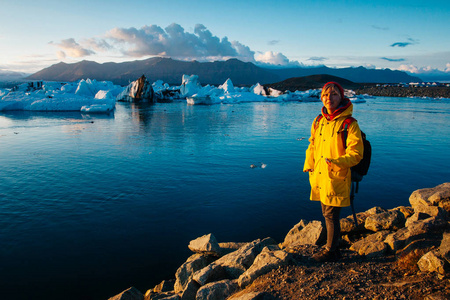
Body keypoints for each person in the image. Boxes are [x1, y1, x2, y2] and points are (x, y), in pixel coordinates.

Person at [303, 81, 364, 262]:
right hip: (320, 174)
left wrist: (336, 163)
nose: (329, 98)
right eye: (326, 95)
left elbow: (356, 153)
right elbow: (312, 144)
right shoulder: (319, 121)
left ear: (341, 97)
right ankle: (334, 246)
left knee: (330, 214)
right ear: (321, 97)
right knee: (327, 212)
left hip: (336, 174)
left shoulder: (349, 124)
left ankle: (330, 251)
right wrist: (309, 164)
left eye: (334, 94)